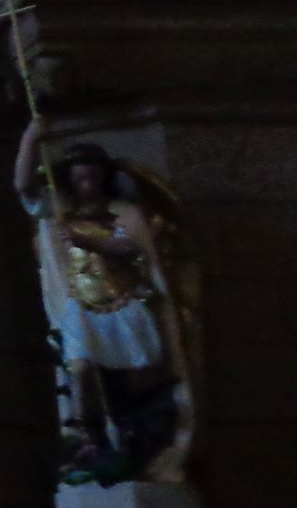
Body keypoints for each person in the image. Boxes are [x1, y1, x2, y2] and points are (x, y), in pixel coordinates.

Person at [13, 114, 192, 483]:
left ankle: (131, 439)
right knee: (80, 369)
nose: (87, 184)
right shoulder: (59, 212)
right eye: (79, 178)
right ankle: (86, 435)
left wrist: (90, 241)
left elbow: (131, 249)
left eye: (92, 177)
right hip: (82, 305)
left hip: (123, 304)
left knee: (131, 381)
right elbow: (23, 187)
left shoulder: (124, 213)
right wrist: (32, 138)